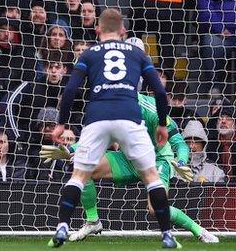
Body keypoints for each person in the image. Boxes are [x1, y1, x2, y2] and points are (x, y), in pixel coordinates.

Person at [48, 8, 179, 248]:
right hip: (129, 116)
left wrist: (61, 124)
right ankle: (167, 234)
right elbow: (160, 91)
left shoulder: (89, 53)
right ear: (123, 31)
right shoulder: (137, 54)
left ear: (97, 29)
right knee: (151, 177)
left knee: (78, 176)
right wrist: (162, 123)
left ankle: (62, 227)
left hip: (97, 117)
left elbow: (70, 91)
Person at [41, 94, 219, 244]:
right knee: (85, 167)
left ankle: (198, 229)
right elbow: (95, 139)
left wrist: (181, 162)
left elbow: (179, 143)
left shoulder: (154, 111)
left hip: (157, 160)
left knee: (154, 209)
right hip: (128, 159)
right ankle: (93, 221)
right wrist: (70, 150)